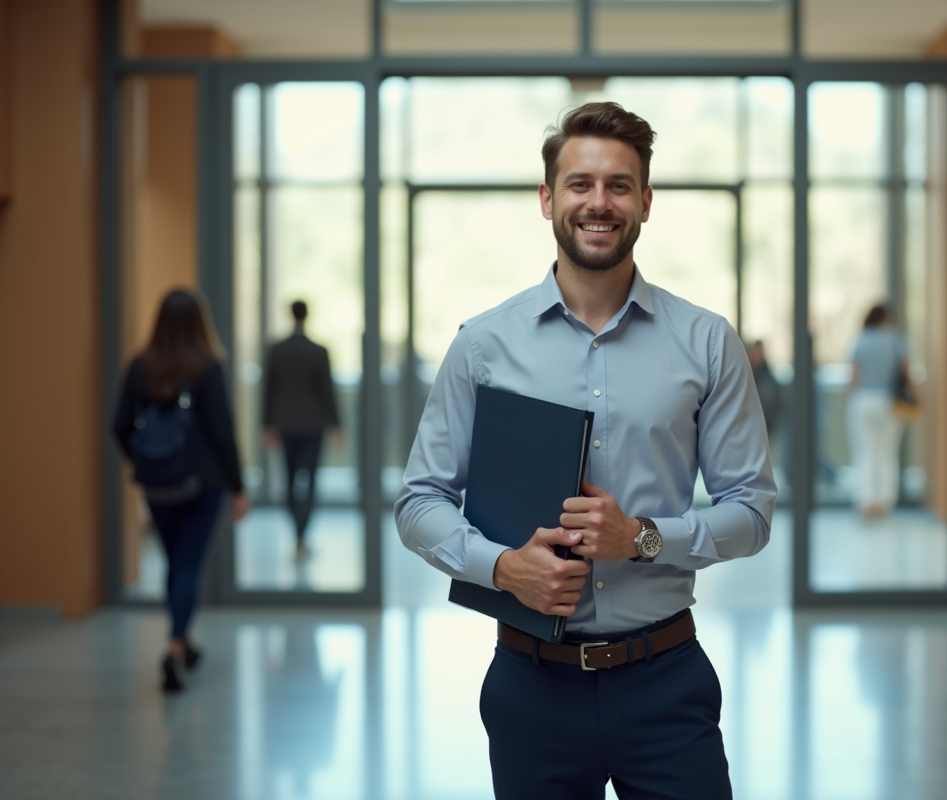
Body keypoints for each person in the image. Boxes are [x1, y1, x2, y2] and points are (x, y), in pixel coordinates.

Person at [395, 102, 775, 800]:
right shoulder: (484, 345)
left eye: (619, 185)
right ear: (548, 198)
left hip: (666, 680)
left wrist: (643, 538)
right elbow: (419, 501)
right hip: (531, 687)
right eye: (579, 183)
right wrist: (504, 568)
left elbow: (752, 511)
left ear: (646, 202)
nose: (598, 202)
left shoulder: (707, 342)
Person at [112, 288, 249, 692]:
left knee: (175, 563)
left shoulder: (140, 366)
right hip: (202, 483)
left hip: (158, 485)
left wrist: (141, 461)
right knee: (187, 565)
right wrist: (237, 487)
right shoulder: (206, 367)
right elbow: (222, 433)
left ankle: (184, 640)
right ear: (198, 324)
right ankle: (174, 648)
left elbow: (119, 426)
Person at [262, 300, 342, 559]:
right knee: (308, 482)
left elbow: (269, 391)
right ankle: (301, 532)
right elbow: (327, 391)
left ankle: (297, 531)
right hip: (312, 425)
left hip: (284, 424)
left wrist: (267, 425)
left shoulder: (276, 350)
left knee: (288, 480)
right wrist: (336, 425)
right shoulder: (318, 351)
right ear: (307, 315)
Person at [847, 302, 910, 518]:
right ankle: (884, 501)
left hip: (863, 400)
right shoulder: (895, 341)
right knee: (887, 453)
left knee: (865, 452)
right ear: (885, 319)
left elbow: (854, 377)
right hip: (889, 402)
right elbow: (906, 373)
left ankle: (866, 501)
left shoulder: (861, 341)